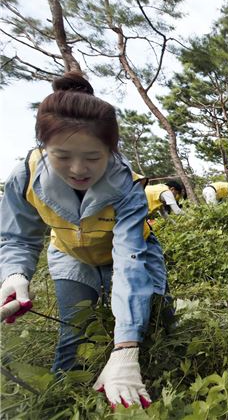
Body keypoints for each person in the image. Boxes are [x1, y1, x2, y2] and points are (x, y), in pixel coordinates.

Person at [0, 71, 168, 409]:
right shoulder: (26, 175)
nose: (78, 169)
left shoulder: (127, 185)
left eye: (93, 158)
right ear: (43, 148)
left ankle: (145, 375)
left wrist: (125, 348)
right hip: (71, 256)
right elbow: (17, 235)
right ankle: (60, 403)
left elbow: (128, 260)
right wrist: (15, 273)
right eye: (62, 156)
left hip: (132, 255)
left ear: (110, 150)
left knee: (152, 319)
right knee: (75, 333)